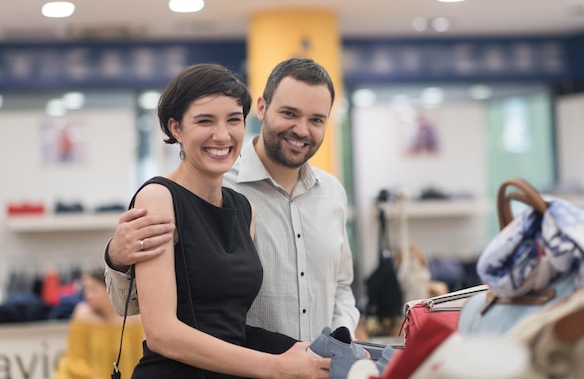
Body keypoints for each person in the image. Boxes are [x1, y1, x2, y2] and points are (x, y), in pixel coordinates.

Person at [105, 57, 360, 342]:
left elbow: (340, 287)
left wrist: (341, 339)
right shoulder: (209, 187)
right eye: (289, 113)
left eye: (316, 119)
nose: (301, 129)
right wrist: (117, 258)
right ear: (261, 108)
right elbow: (132, 308)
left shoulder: (332, 193)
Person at [52, 266, 144, 379]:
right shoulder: (82, 315)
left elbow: (139, 358)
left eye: (93, 289)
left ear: (109, 289)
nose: (88, 295)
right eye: (86, 289)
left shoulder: (133, 319)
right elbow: (74, 359)